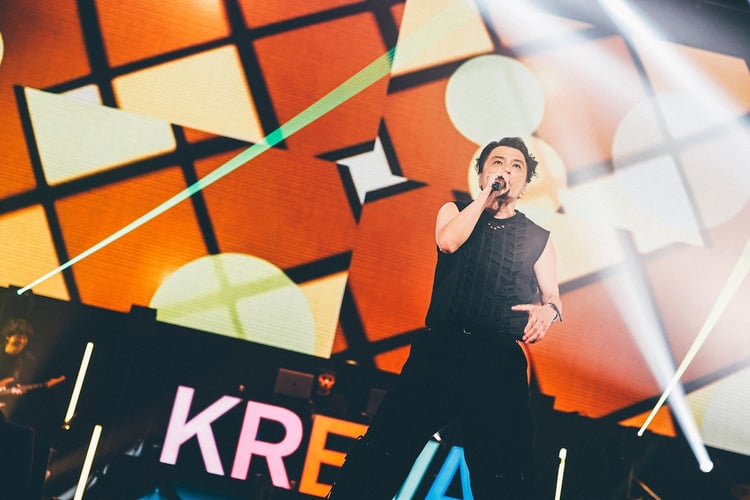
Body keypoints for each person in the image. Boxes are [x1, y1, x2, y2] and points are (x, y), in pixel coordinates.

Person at [326, 137, 562, 499]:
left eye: (517, 166)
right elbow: (449, 242)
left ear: (525, 182)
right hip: (442, 352)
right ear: (481, 174)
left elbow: (553, 297)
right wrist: (485, 197)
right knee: (388, 444)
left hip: (498, 362)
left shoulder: (538, 238)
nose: (506, 170)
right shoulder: (454, 211)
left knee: (505, 467)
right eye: (497, 162)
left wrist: (549, 311)